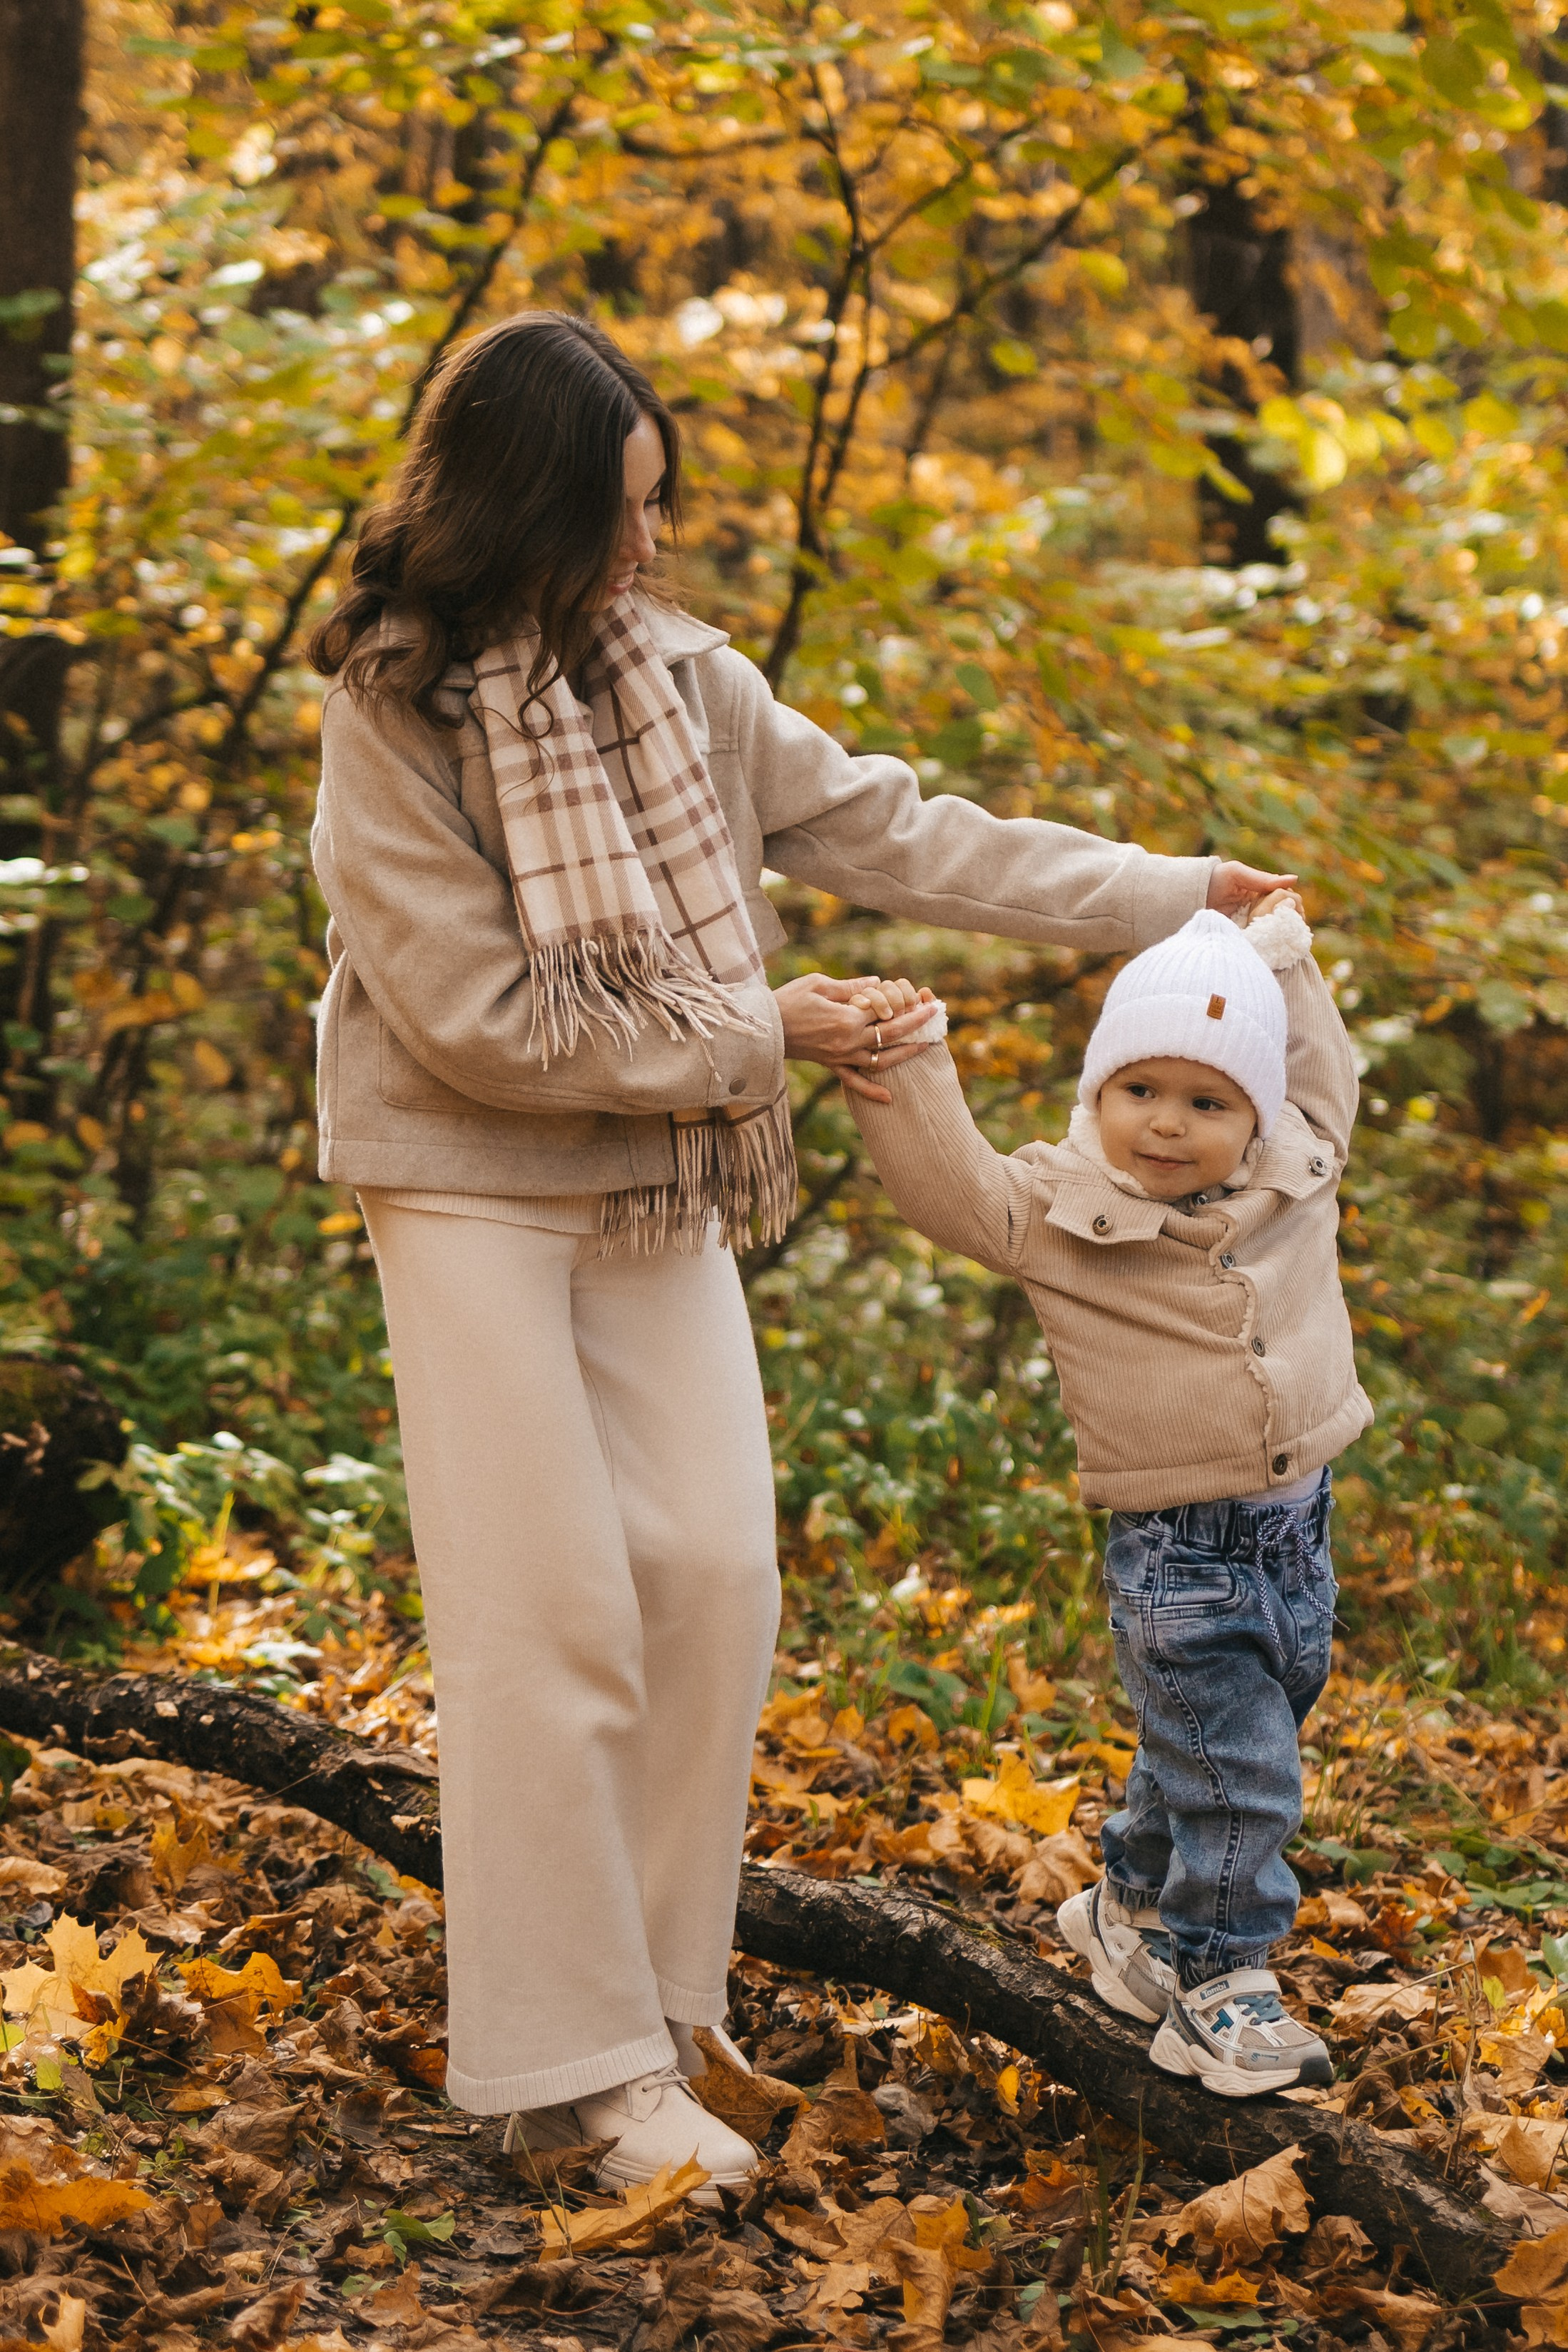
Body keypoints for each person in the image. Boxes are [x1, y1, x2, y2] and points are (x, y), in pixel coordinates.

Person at [306, 305, 1293, 2186]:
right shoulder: (390, 703)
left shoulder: (680, 682)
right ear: (519, 511)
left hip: (650, 1170)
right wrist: (767, 1032)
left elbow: (904, 835)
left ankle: (659, 2004)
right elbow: (472, 1019)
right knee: (554, 1616)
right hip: (467, 1172)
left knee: (709, 1575)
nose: (644, 548)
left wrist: (1171, 892)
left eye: (652, 508)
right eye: (616, 515)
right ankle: (572, 2069)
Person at [847, 894, 1371, 2096]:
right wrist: (910, 1060)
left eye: (1206, 1101)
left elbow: (1322, 1073)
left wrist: (1283, 962)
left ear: (1255, 1111)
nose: (1167, 1125)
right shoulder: (1059, 1212)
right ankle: (1216, 1979)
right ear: (1096, 1093)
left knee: (1228, 1733)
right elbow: (948, 1190)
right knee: (1239, 1773)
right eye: (1139, 1090)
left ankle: (1125, 1908)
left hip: (1297, 1530)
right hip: (1177, 1551)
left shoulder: (1293, 1176)